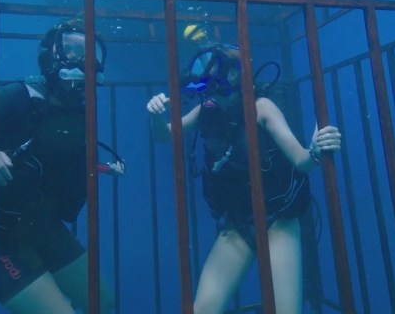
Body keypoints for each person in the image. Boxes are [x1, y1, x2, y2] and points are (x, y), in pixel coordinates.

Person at [0, 19, 120, 314]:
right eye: (72, 49)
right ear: (50, 55)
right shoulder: (17, 96)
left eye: (90, 53)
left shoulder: (81, 109)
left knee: (105, 305)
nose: (83, 60)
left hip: (44, 226)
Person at [146, 44, 341, 314]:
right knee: (202, 309)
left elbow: (301, 160)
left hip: (278, 221)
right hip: (237, 222)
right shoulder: (207, 111)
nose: (208, 80)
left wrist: (316, 150)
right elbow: (165, 135)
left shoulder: (261, 107)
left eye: (216, 71)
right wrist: (155, 115)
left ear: (236, 76)